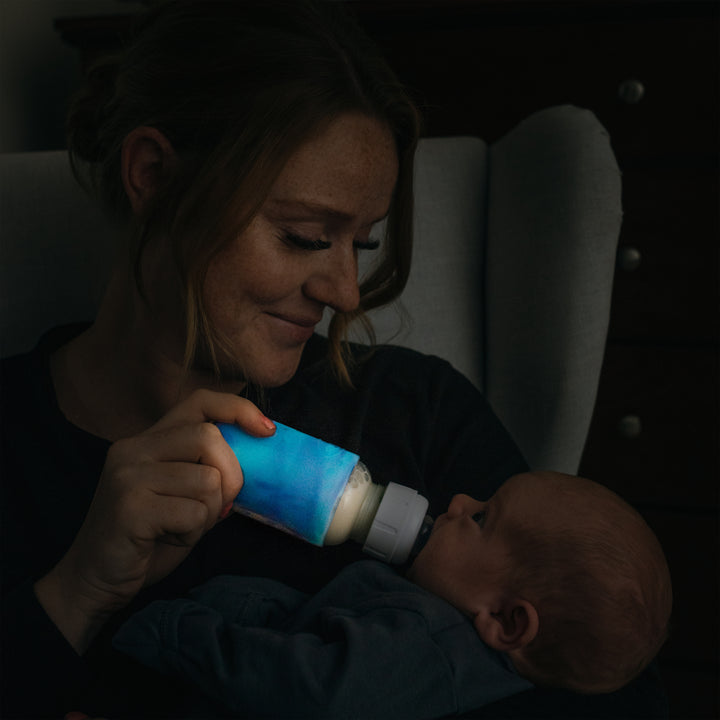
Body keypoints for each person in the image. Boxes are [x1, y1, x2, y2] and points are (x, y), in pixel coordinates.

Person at [0, 1, 668, 718]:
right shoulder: (14, 445)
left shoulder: (412, 412)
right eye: (306, 237)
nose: (346, 291)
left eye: (364, 244)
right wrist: (78, 593)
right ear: (154, 175)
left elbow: (608, 687)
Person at [113, 471, 673, 719]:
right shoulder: (445, 641)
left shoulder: (432, 649)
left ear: (505, 620)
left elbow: (307, 688)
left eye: (481, 517)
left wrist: (171, 629)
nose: (456, 499)